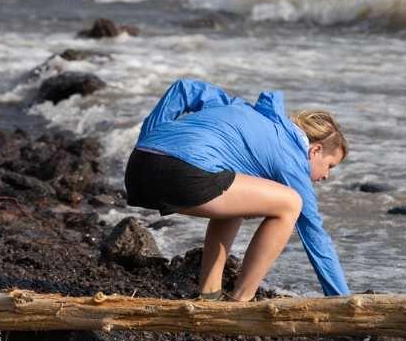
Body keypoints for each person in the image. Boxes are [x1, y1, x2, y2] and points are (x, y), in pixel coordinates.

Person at [123, 78, 350, 301]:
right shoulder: (291, 158)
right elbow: (315, 236)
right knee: (291, 203)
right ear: (315, 150)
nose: (326, 176)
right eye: (330, 165)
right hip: (180, 173)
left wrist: (149, 139)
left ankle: (209, 295)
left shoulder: (244, 109)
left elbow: (185, 88)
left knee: (235, 201)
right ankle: (242, 301)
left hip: (138, 167)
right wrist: (343, 303)